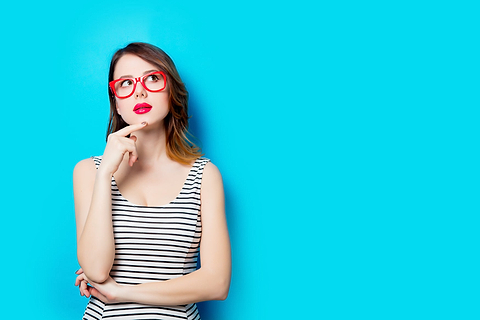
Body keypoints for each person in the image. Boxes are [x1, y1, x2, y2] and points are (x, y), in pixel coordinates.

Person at [73, 42, 231, 320]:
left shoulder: (205, 176)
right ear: (117, 103)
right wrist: (105, 175)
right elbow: (96, 270)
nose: (140, 91)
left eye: (153, 78)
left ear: (171, 92)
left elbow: (217, 283)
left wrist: (122, 292)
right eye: (126, 83)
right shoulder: (90, 171)